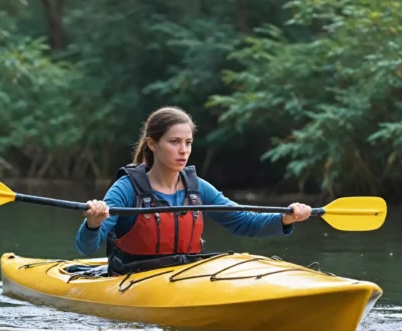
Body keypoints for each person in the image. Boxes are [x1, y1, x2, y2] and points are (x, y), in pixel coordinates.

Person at [74, 106, 312, 275]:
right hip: (133, 278)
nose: (183, 150)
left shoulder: (197, 188)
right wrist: (93, 224)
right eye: (174, 142)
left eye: (188, 143)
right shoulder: (126, 189)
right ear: (152, 144)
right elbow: (86, 247)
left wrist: (285, 218)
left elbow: (245, 222)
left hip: (186, 275)